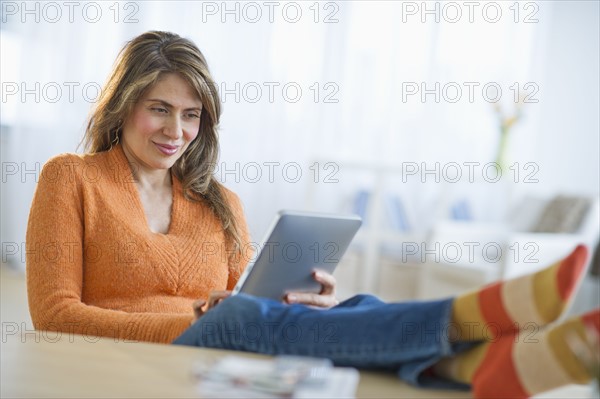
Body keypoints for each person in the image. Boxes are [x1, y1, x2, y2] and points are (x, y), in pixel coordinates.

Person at [26, 31, 599, 399]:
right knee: (244, 320)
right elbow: (54, 314)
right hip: (163, 348)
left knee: (355, 306)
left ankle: (469, 371)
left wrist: (305, 305)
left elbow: (241, 299)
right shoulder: (71, 178)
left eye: (192, 115)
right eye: (159, 110)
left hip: (227, 340)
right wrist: (191, 324)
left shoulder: (221, 203)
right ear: (124, 105)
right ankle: (468, 318)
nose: (177, 132)